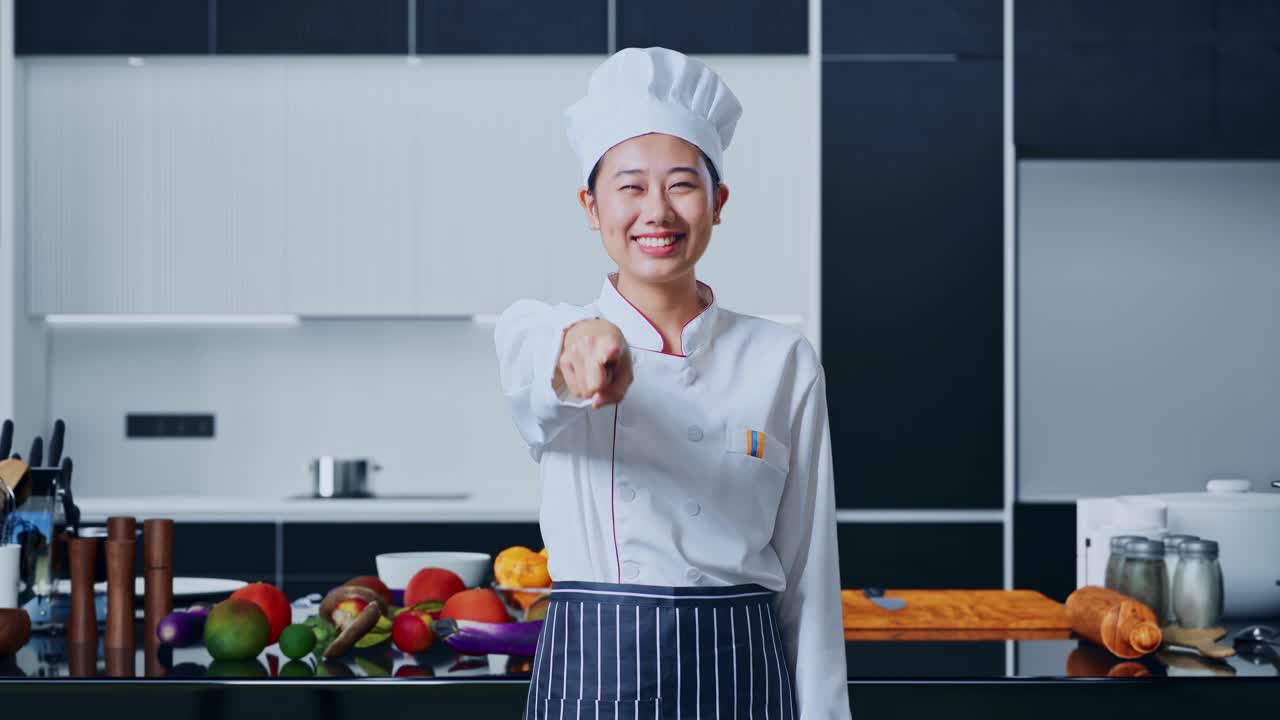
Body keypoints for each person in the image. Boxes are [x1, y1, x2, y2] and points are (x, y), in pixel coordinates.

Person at [496, 47, 849, 719]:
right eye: (629, 186)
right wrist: (581, 348)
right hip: (595, 676)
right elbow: (538, 365)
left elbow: (810, 577)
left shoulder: (782, 360)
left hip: (740, 673)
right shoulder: (545, 334)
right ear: (591, 206)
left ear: (718, 203)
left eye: (682, 184)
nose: (656, 211)